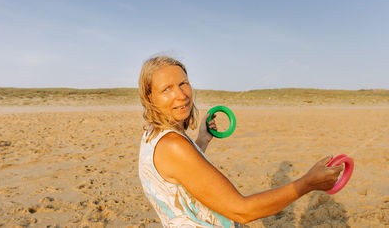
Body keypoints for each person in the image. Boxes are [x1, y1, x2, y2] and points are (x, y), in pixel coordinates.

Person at [138, 55, 343, 227]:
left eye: (183, 83)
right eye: (167, 89)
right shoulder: (173, 145)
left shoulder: (153, 134)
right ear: (150, 97)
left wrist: (202, 140)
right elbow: (242, 211)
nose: (181, 95)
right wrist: (307, 183)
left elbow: (181, 174)